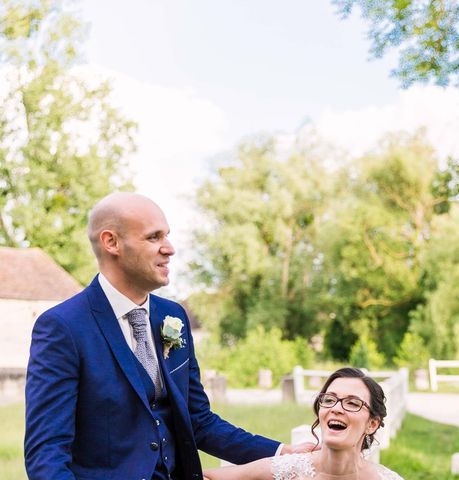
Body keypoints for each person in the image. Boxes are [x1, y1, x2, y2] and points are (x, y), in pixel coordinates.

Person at [24, 192, 313, 480]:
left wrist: (281, 452)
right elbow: (46, 453)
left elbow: (198, 421)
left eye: (167, 236)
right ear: (111, 242)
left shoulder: (172, 316)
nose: (170, 248)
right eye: (154, 237)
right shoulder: (63, 327)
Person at [203, 367, 404, 480]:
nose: (336, 408)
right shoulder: (288, 469)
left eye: (352, 403)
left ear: (372, 424)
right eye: (329, 399)